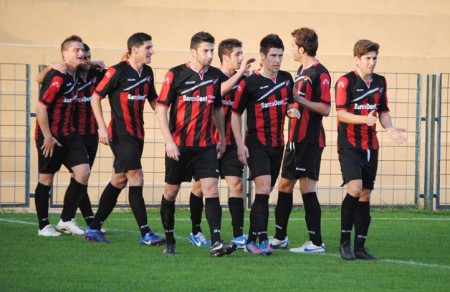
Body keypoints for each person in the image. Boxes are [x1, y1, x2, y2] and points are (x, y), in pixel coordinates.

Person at [157, 31, 236, 256]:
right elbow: (161, 110)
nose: (210, 55)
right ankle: (170, 239)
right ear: (193, 52)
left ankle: (217, 242)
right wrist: (169, 141)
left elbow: (218, 109)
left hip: (206, 146)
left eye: (212, 50)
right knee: (171, 192)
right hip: (179, 145)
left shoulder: (215, 76)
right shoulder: (175, 74)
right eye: (206, 51)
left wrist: (221, 138)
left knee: (211, 190)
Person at [83, 32, 165, 246]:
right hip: (120, 135)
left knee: (119, 180)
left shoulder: (147, 72)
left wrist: (169, 117)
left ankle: (93, 228)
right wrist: (102, 128)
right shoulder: (116, 71)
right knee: (136, 177)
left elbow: (153, 100)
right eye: (148, 48)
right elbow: (95, 97)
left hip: (138, 135)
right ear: (135, 50)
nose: (152, 51)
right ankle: (146, 233)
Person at [335, 39, 406, 260]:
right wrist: (363, 119)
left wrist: (390, 128)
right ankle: (344, 243)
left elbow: (383, 111)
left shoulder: (380, 82)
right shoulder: (345, 82)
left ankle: (360, 247)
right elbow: (341, 113)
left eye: (374, 58)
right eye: (367, 58)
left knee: (365, 194)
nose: (372, 62)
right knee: (354, 189)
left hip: (370, 145)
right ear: (357, 59)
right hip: (349, 145)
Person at [231, 34, 300, 255]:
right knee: (262, 188)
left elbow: (290, 101)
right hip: (256, 143)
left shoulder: (286, 79)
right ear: (262, 56)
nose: (278, 60)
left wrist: (292, 109)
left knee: (266, 191)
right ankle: (260, 240)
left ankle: (252, 238)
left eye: (280, 55)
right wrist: (240, 144)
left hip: (277, 144)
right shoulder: (249, 83)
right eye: (273, 55)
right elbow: (234, 114)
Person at [187, 39, 255, 249]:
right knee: (200, 188)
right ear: (225, 57)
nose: (241, 58)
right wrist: (240, 73)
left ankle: (238, 234)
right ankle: (196, 230)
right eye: (237, 55)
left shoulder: (243, 80)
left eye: (242, 54)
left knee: (237, 184)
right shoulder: (213, 76)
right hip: (209, 142)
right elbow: (221, 91)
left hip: (232, 143)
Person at [269, 28, 331, 254]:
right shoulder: (300, 70)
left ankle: (316, 242)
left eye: (293, 45)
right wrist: (291, 109)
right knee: (284, 185)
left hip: (310, 141)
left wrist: (300, 100)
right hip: (294, 139)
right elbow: (297, 104)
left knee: (307, 188)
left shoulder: (320, 73)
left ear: (302, 48)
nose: (290, 49)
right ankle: (279, 237)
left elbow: (325, 109)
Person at [35, 43, 105, 229]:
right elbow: (39, 82)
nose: (85, 58)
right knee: (47, 178)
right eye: (80, 53)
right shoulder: (62, 73)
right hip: (56, 135)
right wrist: (50, 66)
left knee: (82, 175)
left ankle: (69, 220)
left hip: (81, 135)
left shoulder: (91, 75)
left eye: (88, 55)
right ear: (66, 54)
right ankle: (45, 226)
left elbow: (118, 76)